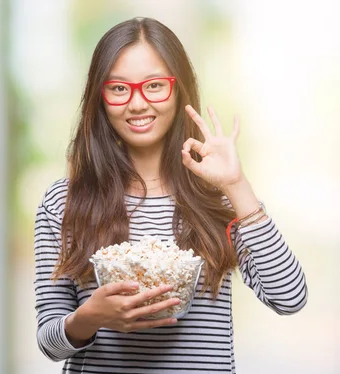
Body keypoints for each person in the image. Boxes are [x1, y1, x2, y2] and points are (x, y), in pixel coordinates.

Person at [33, 17, 307, 373]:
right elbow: (49, 342)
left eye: (155, 85)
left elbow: (289, 297)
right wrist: (90, 318)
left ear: (179, 90)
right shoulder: (64, 201)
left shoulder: (220, 197)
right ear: (99, 97)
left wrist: (237, 184)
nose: (137, 103)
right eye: (118, 88)